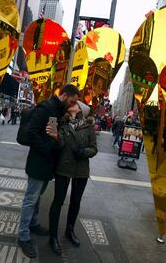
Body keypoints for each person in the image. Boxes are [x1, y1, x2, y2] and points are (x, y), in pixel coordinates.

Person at [18, 84, 79, 258]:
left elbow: (52, 135)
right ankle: (23, 236)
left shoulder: (57, 110)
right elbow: (32, 133)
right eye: (72, 101)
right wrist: (49, 148)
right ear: (65, 95)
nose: (72, 104)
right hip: (38, 163)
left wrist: (54, 142)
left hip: (47, 164)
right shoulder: (46, 107)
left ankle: (34, 223)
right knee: (30, 199)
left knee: (36, 197)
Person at [48, 101, 97, 255]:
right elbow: (57, 145)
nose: (72, 104)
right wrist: (56, 138)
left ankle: (70, 230)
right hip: (63, 168)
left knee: (75, 202)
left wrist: (82, 152)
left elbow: (94, 149)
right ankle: (53, 237)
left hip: (81, 170)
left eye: (75, 103)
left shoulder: (88, 126)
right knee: (58, 202)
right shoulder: (61, 122)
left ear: (82, 109)